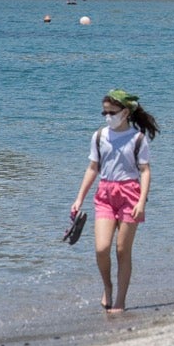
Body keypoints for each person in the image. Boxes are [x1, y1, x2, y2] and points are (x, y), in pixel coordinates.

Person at [69, 90, 158, 313]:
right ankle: (107, 287)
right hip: (105, 194)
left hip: (130, 194)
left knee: (122, 250)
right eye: (104, 112)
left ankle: (120, 300)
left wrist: (141, 202)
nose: (107, 116)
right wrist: (79, 198)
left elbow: (145, 171)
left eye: (112, 112)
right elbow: (92, 168)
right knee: (102, 248)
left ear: (125, 112)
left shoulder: (138, 139)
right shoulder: (99, 136)